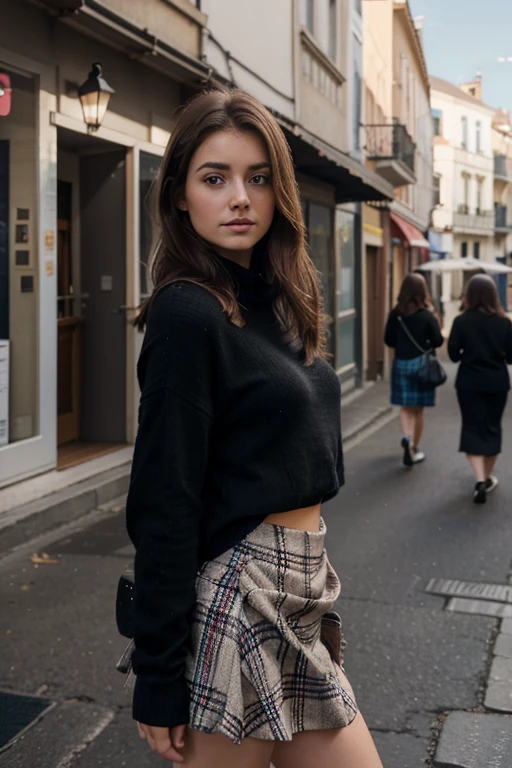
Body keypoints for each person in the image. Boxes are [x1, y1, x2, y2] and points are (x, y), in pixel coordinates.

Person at [125, 88, 383, 768]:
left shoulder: (274, 300)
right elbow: (165, 497)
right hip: (242, 593)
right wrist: (156, 676)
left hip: (302, 585)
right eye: (215, 178)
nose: (240, 197)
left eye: (258, 178)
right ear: (180, 194)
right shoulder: (188, 313)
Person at [448, 274, 512, 504]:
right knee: (492, 428)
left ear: (469, 295)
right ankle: (486, 478)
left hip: (469, 383)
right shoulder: (504, 323)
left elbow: (454, 355)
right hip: (497, 382)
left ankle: (478, 479)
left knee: (472, 428)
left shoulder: (461, 321)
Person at [384, 273, 444, 467]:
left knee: (405, 407)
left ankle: (407, 437)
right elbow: (438, 340)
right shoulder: (427, 315)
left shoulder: (395, 314)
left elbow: (388, 340)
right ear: (422, 292)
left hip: (401, 363)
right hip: (422, 365)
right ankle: (414, 449)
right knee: (418, 410)